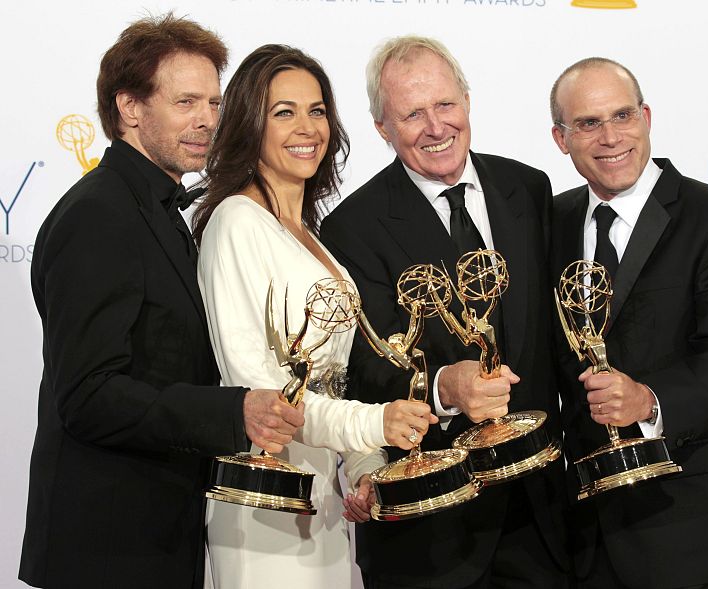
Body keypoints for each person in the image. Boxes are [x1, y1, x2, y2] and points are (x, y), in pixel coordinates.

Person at [18, 14, 309, 589]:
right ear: (130, 108)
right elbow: (89, 395)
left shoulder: (156, 210)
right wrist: (232, 411)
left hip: (153, 536)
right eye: (185, 102)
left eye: (214, 103)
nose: (207, 120)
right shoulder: (99, 216)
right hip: (105, 552)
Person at [320, 35, 570, 589]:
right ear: (382, 128)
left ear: (467, 100)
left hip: (540, 527)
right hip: (430, 536)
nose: (436, 127)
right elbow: (359, 370)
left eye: (445, 105)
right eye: (412, 114)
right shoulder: (350, 228)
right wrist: (441, 389)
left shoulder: (528, 189)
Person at [193, 44, 437, 589]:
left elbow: (335, 378)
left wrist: (366, 467)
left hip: (324, 505)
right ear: (250, 125)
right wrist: (374, 423)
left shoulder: (309, 235)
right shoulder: (235, 221)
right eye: (284, 112)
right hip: (264, 508)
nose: (307, 127)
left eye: (317, 110)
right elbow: (258, 390)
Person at [549, 57, 708, 589]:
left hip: (688, 520)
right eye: (587, 123)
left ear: (646, 117)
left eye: (622, 116)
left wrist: (649, 399)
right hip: (581, 528)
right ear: (560, 138)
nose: (610, 137)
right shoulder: (549, 221)